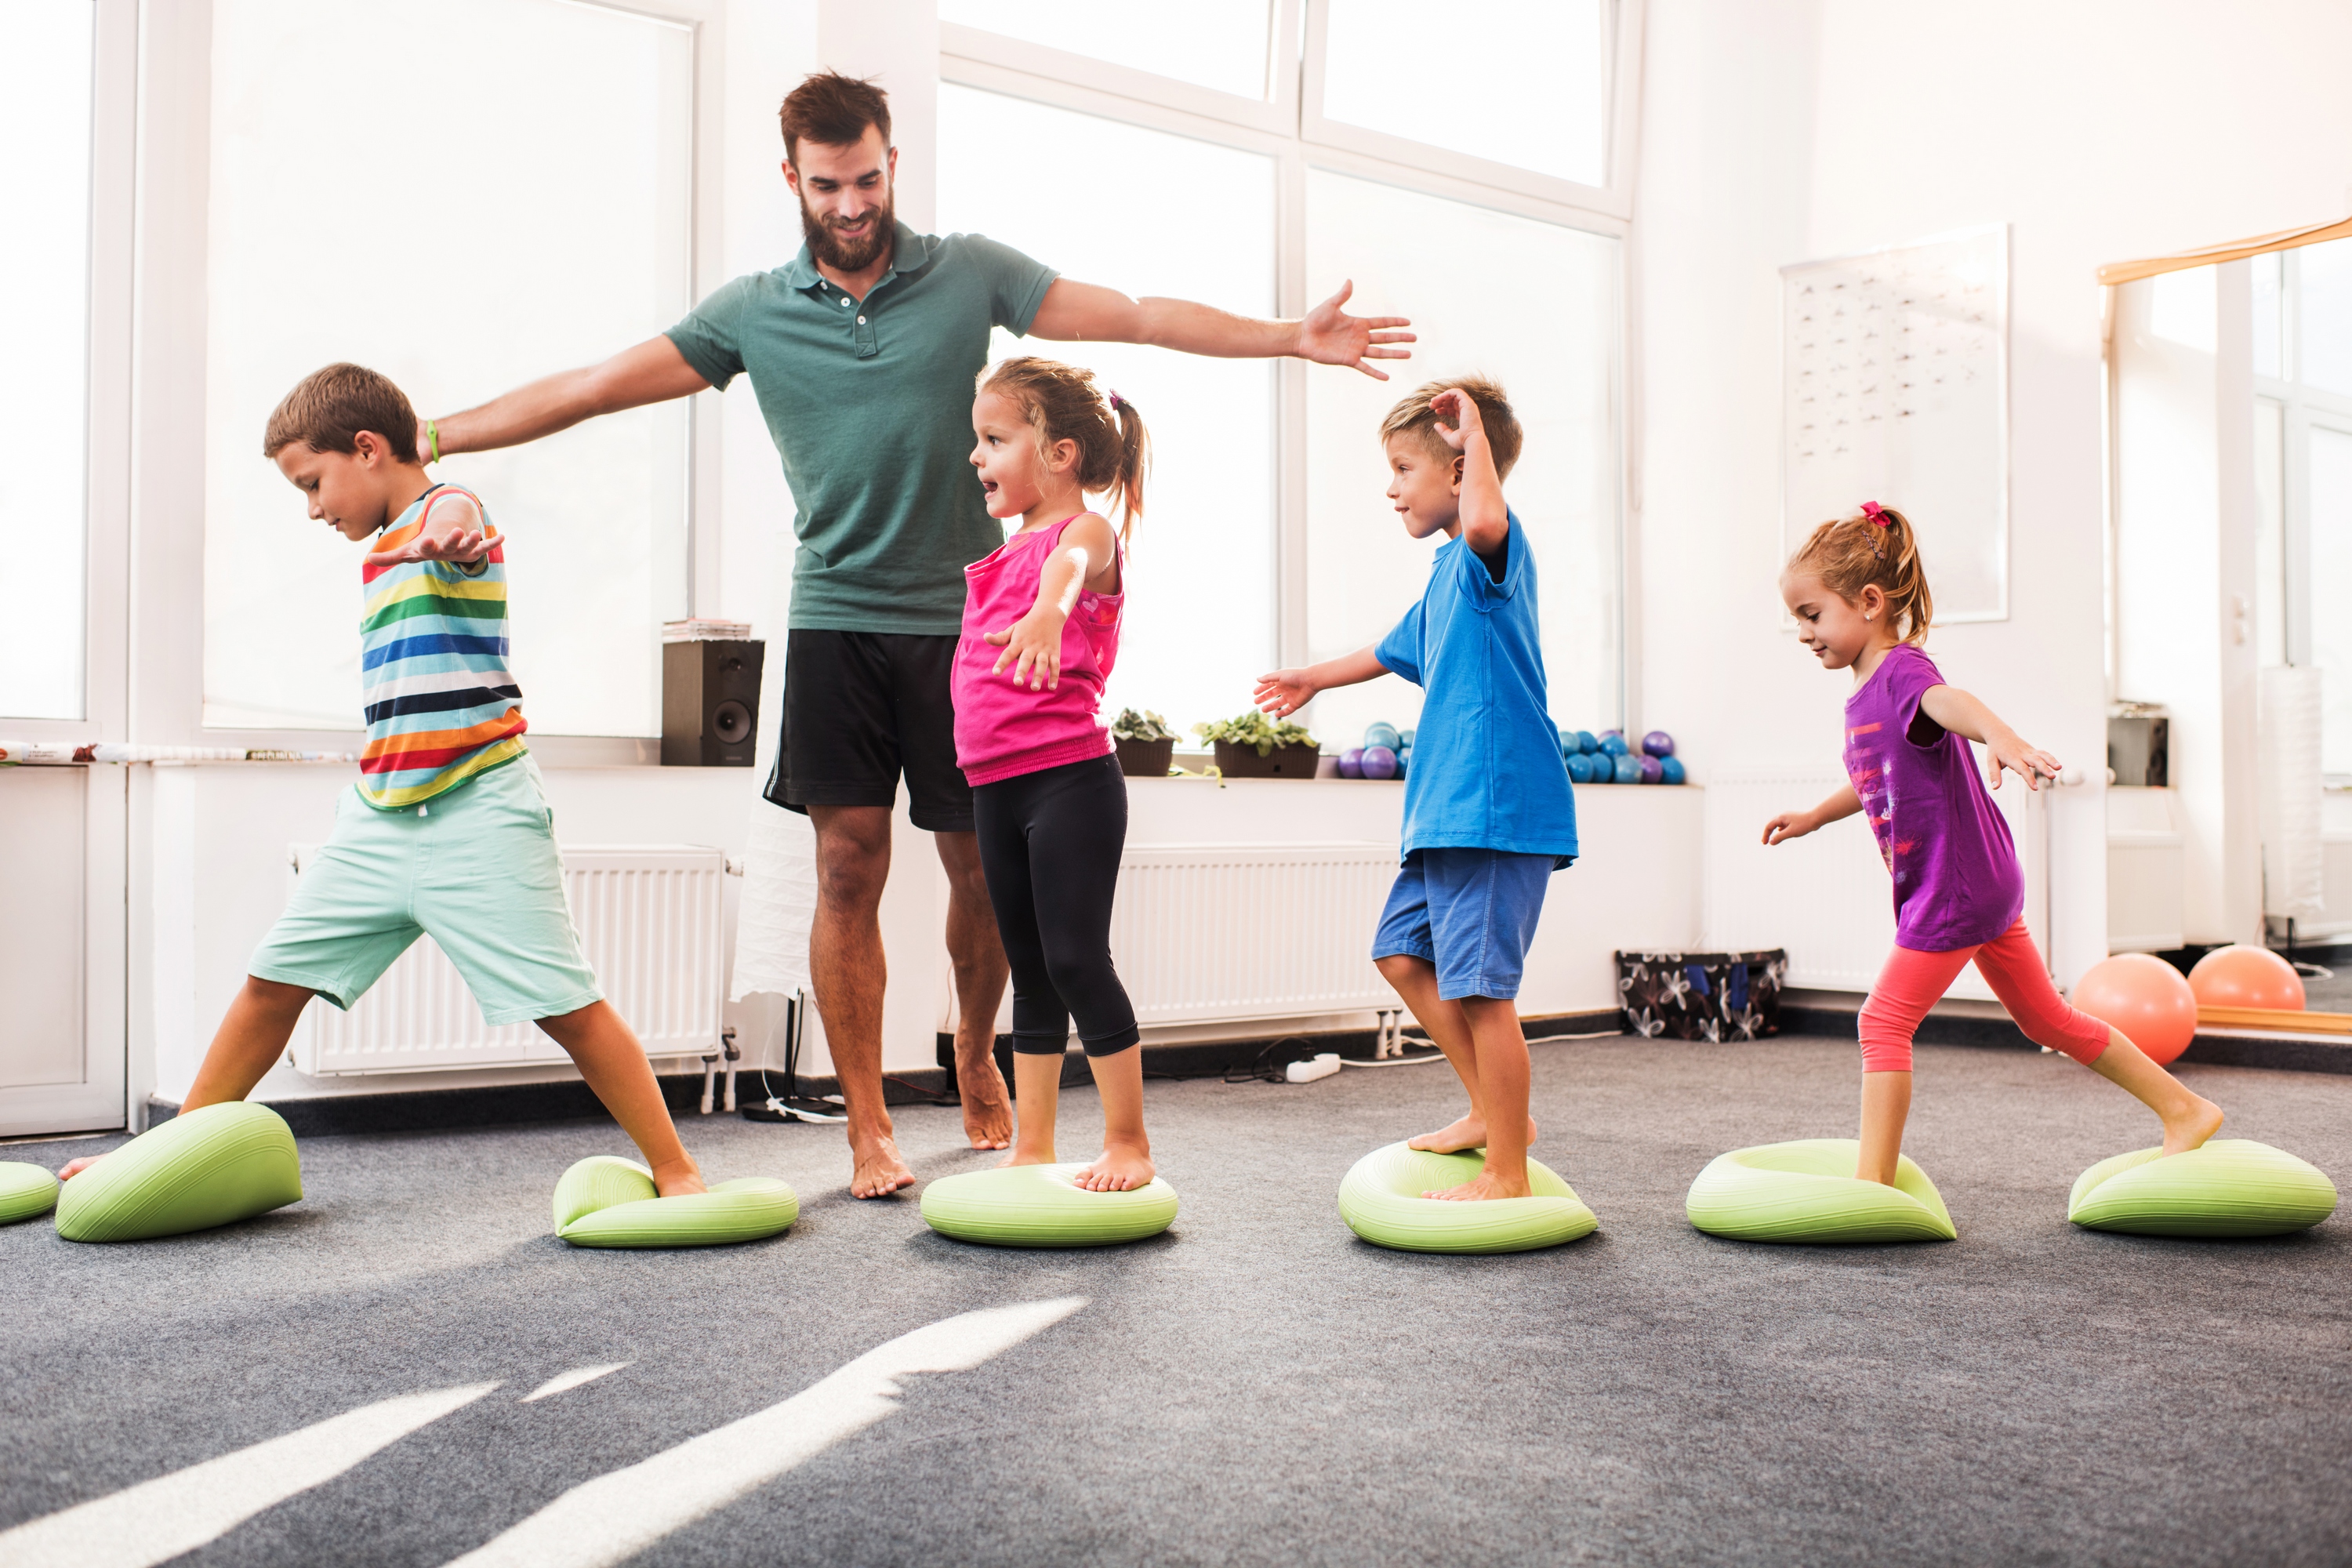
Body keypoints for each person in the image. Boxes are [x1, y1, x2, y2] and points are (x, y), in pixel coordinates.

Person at [415, 71, 1414, 1199]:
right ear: (792, 179)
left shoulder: (967, 273)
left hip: (971, 626)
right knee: (846, 865)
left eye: (868, 179)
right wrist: (434, 435)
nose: (852, 204)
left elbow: (1135, 315)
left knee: (981, 872)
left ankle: (976, 1050)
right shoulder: (751, 312)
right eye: (828, 185)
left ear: (893, 165)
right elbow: (598, 386)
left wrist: (1289, 337)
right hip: (836, 620)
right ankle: (867, 1124)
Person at [60, 364, 706, 1196]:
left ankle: (676, 1168)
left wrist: (450, 534)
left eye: (313, 483)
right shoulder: (381, 554)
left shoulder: (448, 517)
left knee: (567, 1005)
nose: (313, 508)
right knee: (269, 984)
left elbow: (454, 511)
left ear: (368, 448)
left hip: (481, 808)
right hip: (378, 817)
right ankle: (164, 1155)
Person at [1762, 502, 2223, 1185]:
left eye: (1811, 614)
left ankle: (1873, 1186)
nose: (1803, 633)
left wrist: (2001, 737)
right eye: (1797, 618)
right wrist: (1815, 816)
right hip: (1977, 879)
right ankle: (2185, 1109)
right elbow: (1874, 780)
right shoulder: (1865, 692)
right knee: (2047, 1020)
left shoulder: (1901, 672)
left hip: (1955, 886)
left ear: (1869, 603)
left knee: (1882, 1023)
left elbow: (1953, 702)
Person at [1252, 379, 1577, 1202]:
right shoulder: (1444, 575)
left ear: (1461, 470)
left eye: (1404, 468)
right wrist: (1312, 677)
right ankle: (1492, 1113)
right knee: (1401, 953)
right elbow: (1388, 650)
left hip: (1494, 811)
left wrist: (1476, 442)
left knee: (1483, 992)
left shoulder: (1490, 554)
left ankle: (1507, 1168)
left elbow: (1486, 520)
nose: (1390, 487)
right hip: (1444, 813)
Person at [956, 358, 1153, 1191]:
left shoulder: (1086, 535)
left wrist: (1049, 608)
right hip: (994, 784)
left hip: (1070, 780)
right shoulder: (1009, 549)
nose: (977, 455)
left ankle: (1129, 1141)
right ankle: (1031, 1144)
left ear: (1061, 454)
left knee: (1076, 960)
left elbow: (1072, 565)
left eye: (995, 439)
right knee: (1030, 969)